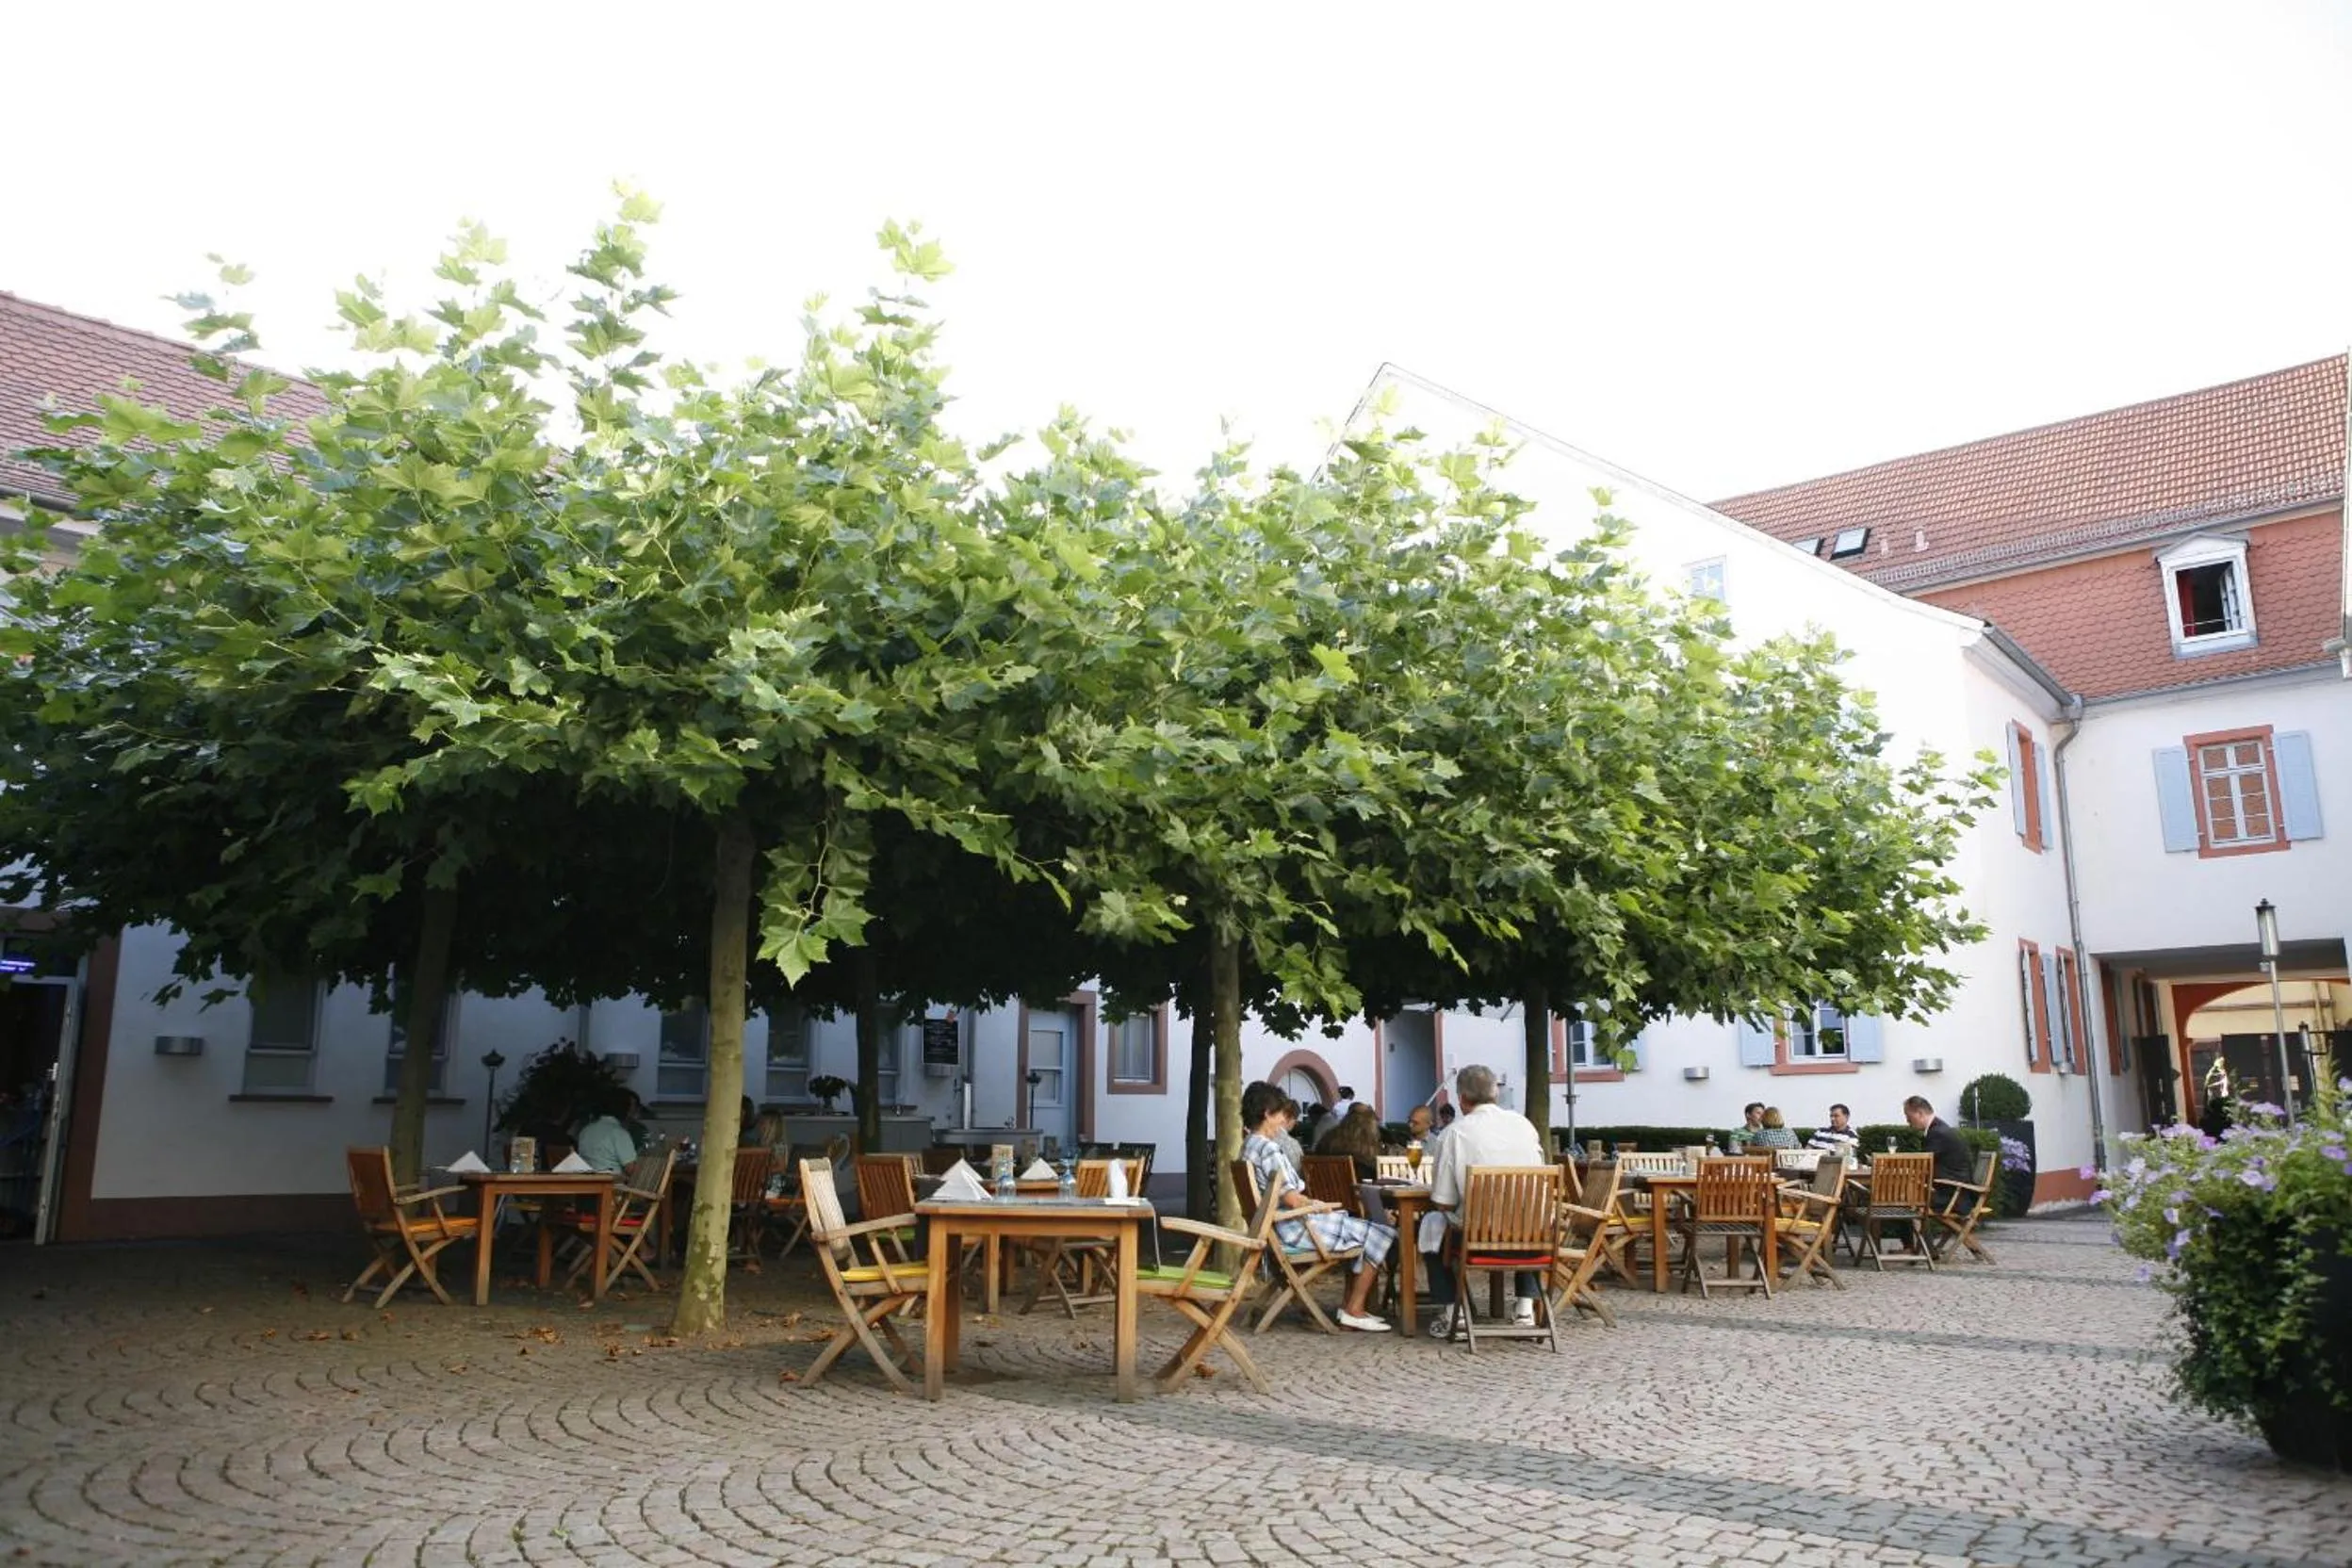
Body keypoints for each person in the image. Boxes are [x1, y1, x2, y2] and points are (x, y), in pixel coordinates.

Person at [1239, 1080, 1395, 1331]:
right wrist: (1317, 1205)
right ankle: (1354, 1308)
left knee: (1358, 1228)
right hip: (1294, 1228)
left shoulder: (1248, 1146)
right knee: (1381, 1232)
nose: (1283, 1120)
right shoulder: (1269, 1149)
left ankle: (1350, 1308)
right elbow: (1290, 1197)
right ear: (1267, 1114)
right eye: (1279, 1114)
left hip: (1277, 1229)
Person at [1422, 1064, 1549, 1338]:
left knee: (1429, 1225)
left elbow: (1443, 1202)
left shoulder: (1455, 1133)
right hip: (1532, 1240)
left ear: (1462, 1099)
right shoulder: (1524, 1126)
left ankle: (1451, 1313)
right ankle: (1525, 1308)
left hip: (1477, 1238)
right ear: (1495, 1094)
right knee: (1524, 1216)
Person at [1903, 1095, 1975, 1184]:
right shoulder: (1938, 1128)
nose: (1907, 1121)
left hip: (1952, 1189)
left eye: (1908, 1116)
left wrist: (1903, 1169)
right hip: (1954, 1185)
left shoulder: (1937, 1133)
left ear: (1920, 1113)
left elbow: (1923, 1164)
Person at [1315, 1102, 1383, 1179]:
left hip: (1324, 1187)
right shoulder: (1365, 1150)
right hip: (1355, 1189)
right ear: (1371, 1125)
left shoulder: (1328, 1139)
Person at [574, 1093, 638, 1174]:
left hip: (588, 1182)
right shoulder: (619, 1133)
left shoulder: (586, 1130)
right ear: (624, 1109)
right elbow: (631, 1169)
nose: (633, 1110)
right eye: (631, 1106)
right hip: (613, 1184)